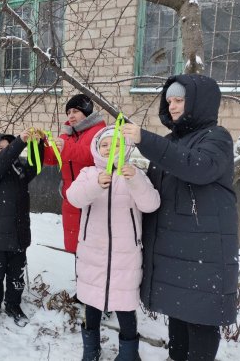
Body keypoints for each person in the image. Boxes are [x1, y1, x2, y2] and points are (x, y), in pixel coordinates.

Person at [122, 75, 239, 361]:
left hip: (203, 254)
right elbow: (156, 193)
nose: (172, 106)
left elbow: (197, 168)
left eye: (179, 100)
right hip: (175, 253)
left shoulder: (217, 138)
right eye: (169, 100)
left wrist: (143, 139)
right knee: (178, 319)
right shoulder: (171, 141)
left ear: (199, 103)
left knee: (199, 323)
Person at [67, 127, 160, 360]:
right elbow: (74, 197)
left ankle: (129, 354)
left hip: (125, 254)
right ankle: (91, 349)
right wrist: (96, 184)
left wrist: (135, 179)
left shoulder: (135, 173)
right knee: (92, 305)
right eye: (104, 145)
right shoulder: (89, 173)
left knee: (125, 306)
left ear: (126, 147)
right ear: (96, 149)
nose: (109, 149)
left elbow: (151, 204)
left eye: (115, 144)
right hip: (92, 253)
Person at [0, 130, 44, 327]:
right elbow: (3, 161)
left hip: (19, 235)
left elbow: (35, 165)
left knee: (16, 277)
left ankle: (13, 305)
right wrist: (18, 142)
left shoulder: (19, 171)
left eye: (8, 148)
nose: (6, 151)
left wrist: (38, 143)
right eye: (0, 149)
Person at [44, 93, 105, 254]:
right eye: (68, 112)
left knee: (94, 251)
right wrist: (37, 145)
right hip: (70, 199)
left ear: (86, 111)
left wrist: (66, 147)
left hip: (93, 198)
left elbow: (92, 156)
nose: (71, 116)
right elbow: (51, 158)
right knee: (75, 249)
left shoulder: (99, 132)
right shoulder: (66, 136)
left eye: (75, 111)